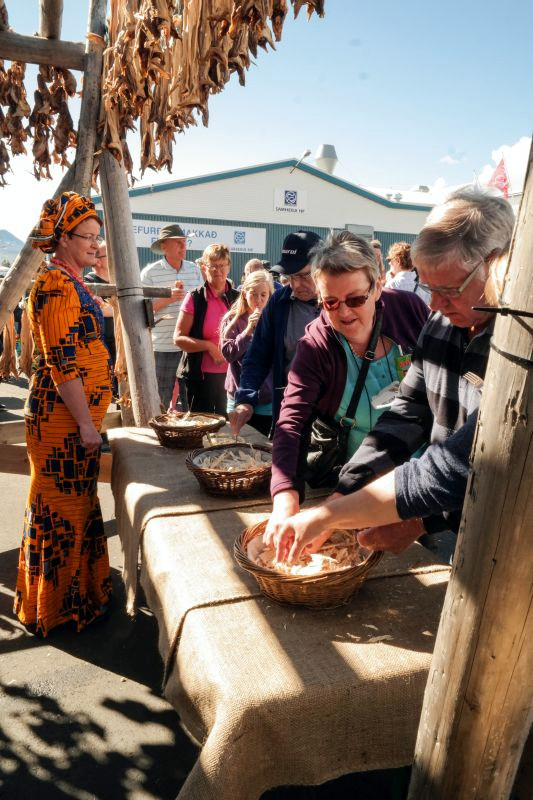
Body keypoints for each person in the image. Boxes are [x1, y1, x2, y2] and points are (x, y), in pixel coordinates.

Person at [270, 188, 514, 564]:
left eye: (448, 290)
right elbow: (407, 413)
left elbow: (473, 463)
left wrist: (412, 520)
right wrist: (344, 493)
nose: (434, 304)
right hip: (434, 506)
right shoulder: (441, 322)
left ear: (499, 267)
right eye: (429, 287)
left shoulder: (515, 348)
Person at [267, 231, 429, 538]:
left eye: (355, 299)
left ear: (378, 286)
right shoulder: (316, 345)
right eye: (330, 302)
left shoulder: (410, 311)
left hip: (418, 476)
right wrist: (285, 495)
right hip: (352, 484)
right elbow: (292, 421)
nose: (343, 311)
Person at [14, 191, 113, 636]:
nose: (96, 244)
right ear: (62, 239)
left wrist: (103, 265)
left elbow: (110, 312)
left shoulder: (74, 281)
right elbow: (61, 363)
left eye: (98, 236)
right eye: (88, 237)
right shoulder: (54, 285)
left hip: (73, 422)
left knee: (77, 508)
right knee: (62, 511)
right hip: (62, 426)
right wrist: (88, 424)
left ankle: (81, 597)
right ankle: (58, 608)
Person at [230, 230, 322, 436]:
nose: (296, 284)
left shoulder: (342, 304)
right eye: (290, 276)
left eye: (303, 275)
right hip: (291, 412)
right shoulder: (279, 302)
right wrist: (245, 400)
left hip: (334, 416)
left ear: (322, 266)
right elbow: (258, 355)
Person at [140, 224, 202, 409]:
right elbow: (141, 311)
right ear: (164, 246)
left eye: (184, 242)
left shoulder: (194, 270)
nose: (184, 247)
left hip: (189, 345)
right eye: (178, 243)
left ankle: (189, 435)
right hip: (162, 346)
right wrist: (167, 299)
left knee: (189, 398)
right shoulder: (149, 273)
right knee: (159, 397)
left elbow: (202, 305)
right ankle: (158, 435)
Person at [174, 243, 239, 415]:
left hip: (232, 378)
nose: (218, 271)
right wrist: (209, 346)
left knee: (229, 430)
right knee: (202, 429)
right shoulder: (195, 298)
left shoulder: (238, 299)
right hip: (200, 378)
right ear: (204, 268)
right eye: (213, 266)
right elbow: (179, 338)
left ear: (229, 267)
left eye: (222, 265)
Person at [220, 269, 274, 435]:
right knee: (238, 444)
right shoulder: (232, 319)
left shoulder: (275, 320)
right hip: (237, 394)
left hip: (267, 397)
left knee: (263, 448)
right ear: (244, 293)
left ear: (270, 295)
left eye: (263, 295)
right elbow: (228, 354)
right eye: (253, 294)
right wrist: (248, 330)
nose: (258, 300)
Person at [84, 240, 116, 368]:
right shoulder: (88, 282)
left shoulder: (119, 281)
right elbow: (101, 310)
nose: (115, 256)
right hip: (100, 346)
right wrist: (122, 310)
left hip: (119, 344)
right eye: (110, 254)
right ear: (98, 261)